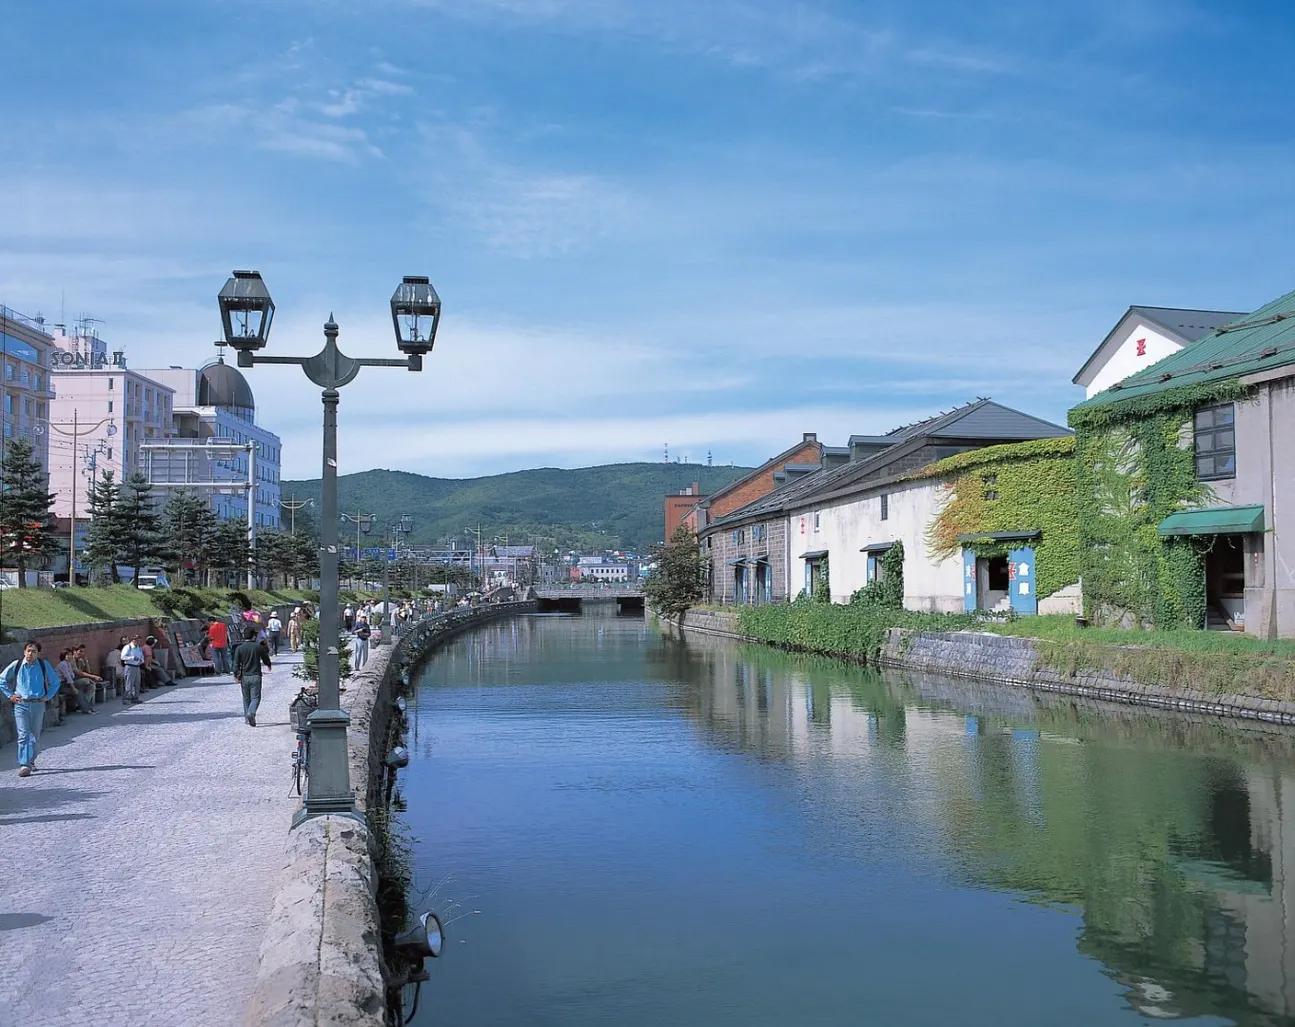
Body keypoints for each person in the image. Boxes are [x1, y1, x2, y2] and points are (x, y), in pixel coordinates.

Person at [1, 642, 63, 776]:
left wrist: (48, 696)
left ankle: (31, 760)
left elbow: (55, 682)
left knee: (34, 736)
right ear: (24, 652)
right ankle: (24, 764)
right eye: (28, 651)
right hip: (21, 705)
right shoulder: (17, 665)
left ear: (38, 654)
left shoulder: (43, 665)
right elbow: (2, 679)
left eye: (34, 651)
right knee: (23, 735)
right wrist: (10, 695)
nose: (30, 654)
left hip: (38, 704)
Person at [231, 625, 272, 726]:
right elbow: (265, 658)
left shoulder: (239, 648)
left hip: (245, 676)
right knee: (255, 697)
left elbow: (235, 664)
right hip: (256, 675)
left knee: (246, 698)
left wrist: (236, 675)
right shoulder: (258, 647)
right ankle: (251, 713)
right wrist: (268, 665)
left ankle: (246, 717)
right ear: (254, 636)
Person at [54, 648, 96, 714]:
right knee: (78, 692)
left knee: (81, 689)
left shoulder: (68, 664)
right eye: (67, 655)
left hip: (67, 683)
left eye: (70, 655)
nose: (69, 656)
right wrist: (73, 688)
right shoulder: (63, 664)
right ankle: (86, 709)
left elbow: (72, 675)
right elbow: (68, 677)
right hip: (61, 685)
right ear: (63, 656)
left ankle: (88, 707)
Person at [121, 634, 146, 705]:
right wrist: (132, 658)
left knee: (137, 683)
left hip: (137, 666)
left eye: (138, 639)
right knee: (129, 683)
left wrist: (142, 660)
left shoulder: (139, 648)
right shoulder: (127, 647)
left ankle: (135, 697)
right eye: (136, 639)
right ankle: (126, 698)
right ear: (133, 640)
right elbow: (123, 657)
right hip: (129, 666)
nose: (137, 641)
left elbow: (141, 656)